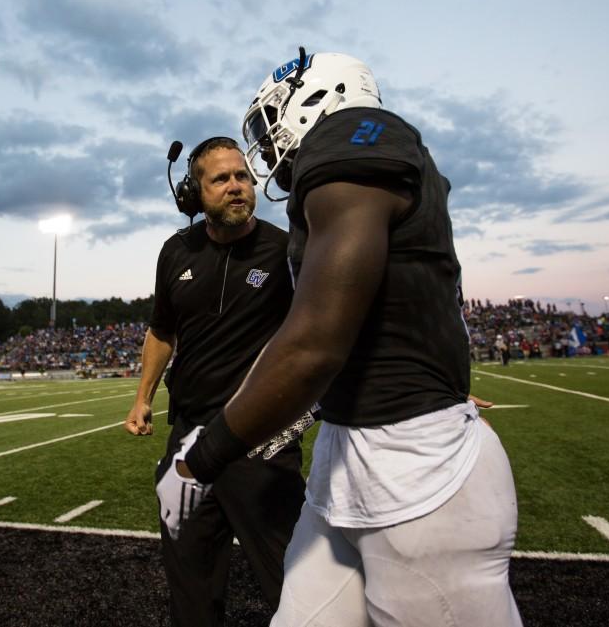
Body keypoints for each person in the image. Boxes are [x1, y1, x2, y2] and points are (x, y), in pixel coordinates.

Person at [158, 51, 522, 626]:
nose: (265, 146)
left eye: (268, 121)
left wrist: (199, 460)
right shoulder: (346, 172)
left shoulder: (351, 136)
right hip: (353, 458)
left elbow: (315, 341)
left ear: (312, 100)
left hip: (413, 472)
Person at [125, 137, 306, 626]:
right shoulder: (175, 251)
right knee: (191, 592)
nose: (235, 187)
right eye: (220, 179)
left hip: (259, 441)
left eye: (242, 176)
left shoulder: (283, 249)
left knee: (292, 585)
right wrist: (142, 397)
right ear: (193, 193)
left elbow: (332, 326)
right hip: (187, 442)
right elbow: (162, 330)